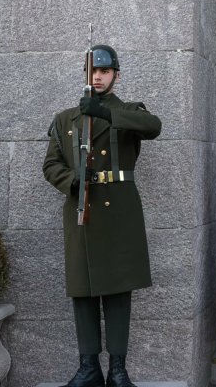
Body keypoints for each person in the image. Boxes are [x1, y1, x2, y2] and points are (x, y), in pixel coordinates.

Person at [43, 44, 162, 387]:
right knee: (83, 291)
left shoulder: (128, 110)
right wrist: (71, 181)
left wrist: (107, 114)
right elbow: (50, 164)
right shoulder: (66, 118)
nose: (97, 77)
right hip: (83, 208)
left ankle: (118, 369)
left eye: (105, 72)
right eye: (93, 71)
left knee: (117, 291)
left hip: (118, 210)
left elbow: (153, 126)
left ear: (116, 76)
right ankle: (89, 367)